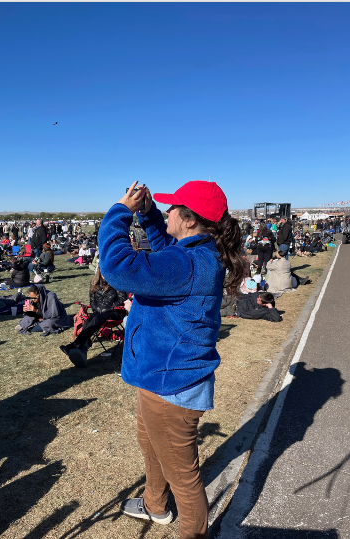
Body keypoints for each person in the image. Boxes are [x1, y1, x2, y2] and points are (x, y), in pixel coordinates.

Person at [98, 181, 248, 539]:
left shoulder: (189, 263)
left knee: (184, 476)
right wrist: (148, 212)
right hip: (159, 378)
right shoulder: (194, 254)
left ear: (189, 219)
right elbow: (166, 249)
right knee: (150, 445)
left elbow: (118, 267)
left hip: (171, 386)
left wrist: (120, 212)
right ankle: (154, 505)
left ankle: (192, 533)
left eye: (171, 209)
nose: (166, 213)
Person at [60, 267, 129, 367]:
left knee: (96, 319)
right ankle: (82, 348)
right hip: (99, 312)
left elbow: (122, 299)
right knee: (89, 320)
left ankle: (75, 344)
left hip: (115, 312)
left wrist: (107, 307)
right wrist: (99, 308)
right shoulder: (94, 282)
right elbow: (92, 302)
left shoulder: (116, 281)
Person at [5, 284, 72, 335]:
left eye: (35, 298)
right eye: (31, 298)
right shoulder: (35, 300)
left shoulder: (51, 297)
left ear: (40, 294)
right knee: (28, 318)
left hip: (57, 320)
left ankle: (31, 326)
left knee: (49, 323)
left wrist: (36, 310)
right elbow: (34, 314)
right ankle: (32, 325)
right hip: (40, 318)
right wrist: (27, 311)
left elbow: (54, 315)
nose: (33, 300)